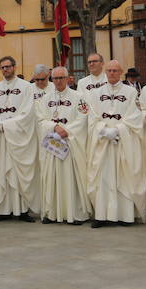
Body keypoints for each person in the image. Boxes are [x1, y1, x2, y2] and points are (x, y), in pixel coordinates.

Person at [86, 60, 146, 227]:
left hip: (122, 141)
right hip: (102, 141)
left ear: (121, 72)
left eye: (115, 71)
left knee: (123, 176)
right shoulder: (95, 93)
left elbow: (134, 116)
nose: (112, 73)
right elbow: (92, 116)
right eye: (109, 70)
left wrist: (118, 130)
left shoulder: (131, 92)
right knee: (102, 177)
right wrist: (103, 130)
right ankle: (101, 215)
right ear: (105, 72)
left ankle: (125, 215)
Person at [0, 55, 39, 221]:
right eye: (2, 67)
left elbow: (27, 112)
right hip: (1, 136)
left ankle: (22, 210)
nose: (5, 70)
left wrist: (8, 125)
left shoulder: (26, 87)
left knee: (18, 172)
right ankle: (3, 210)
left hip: (18, 138)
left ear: (14, 67)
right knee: (1, 170)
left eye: (8, 66)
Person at [37, 66, 89, 225]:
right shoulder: (45, 98)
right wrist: (54, 128)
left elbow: (83, 118)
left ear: (68, 79)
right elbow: (40, 119)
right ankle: (51, 213)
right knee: (51, 178)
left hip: (70, 144)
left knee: (71, 179)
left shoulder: (78, 97)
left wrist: (67, 131)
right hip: (52, 144)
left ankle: (75, 214)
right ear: (51, 80)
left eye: (61, 78)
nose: (58, 81)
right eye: (55, 78)